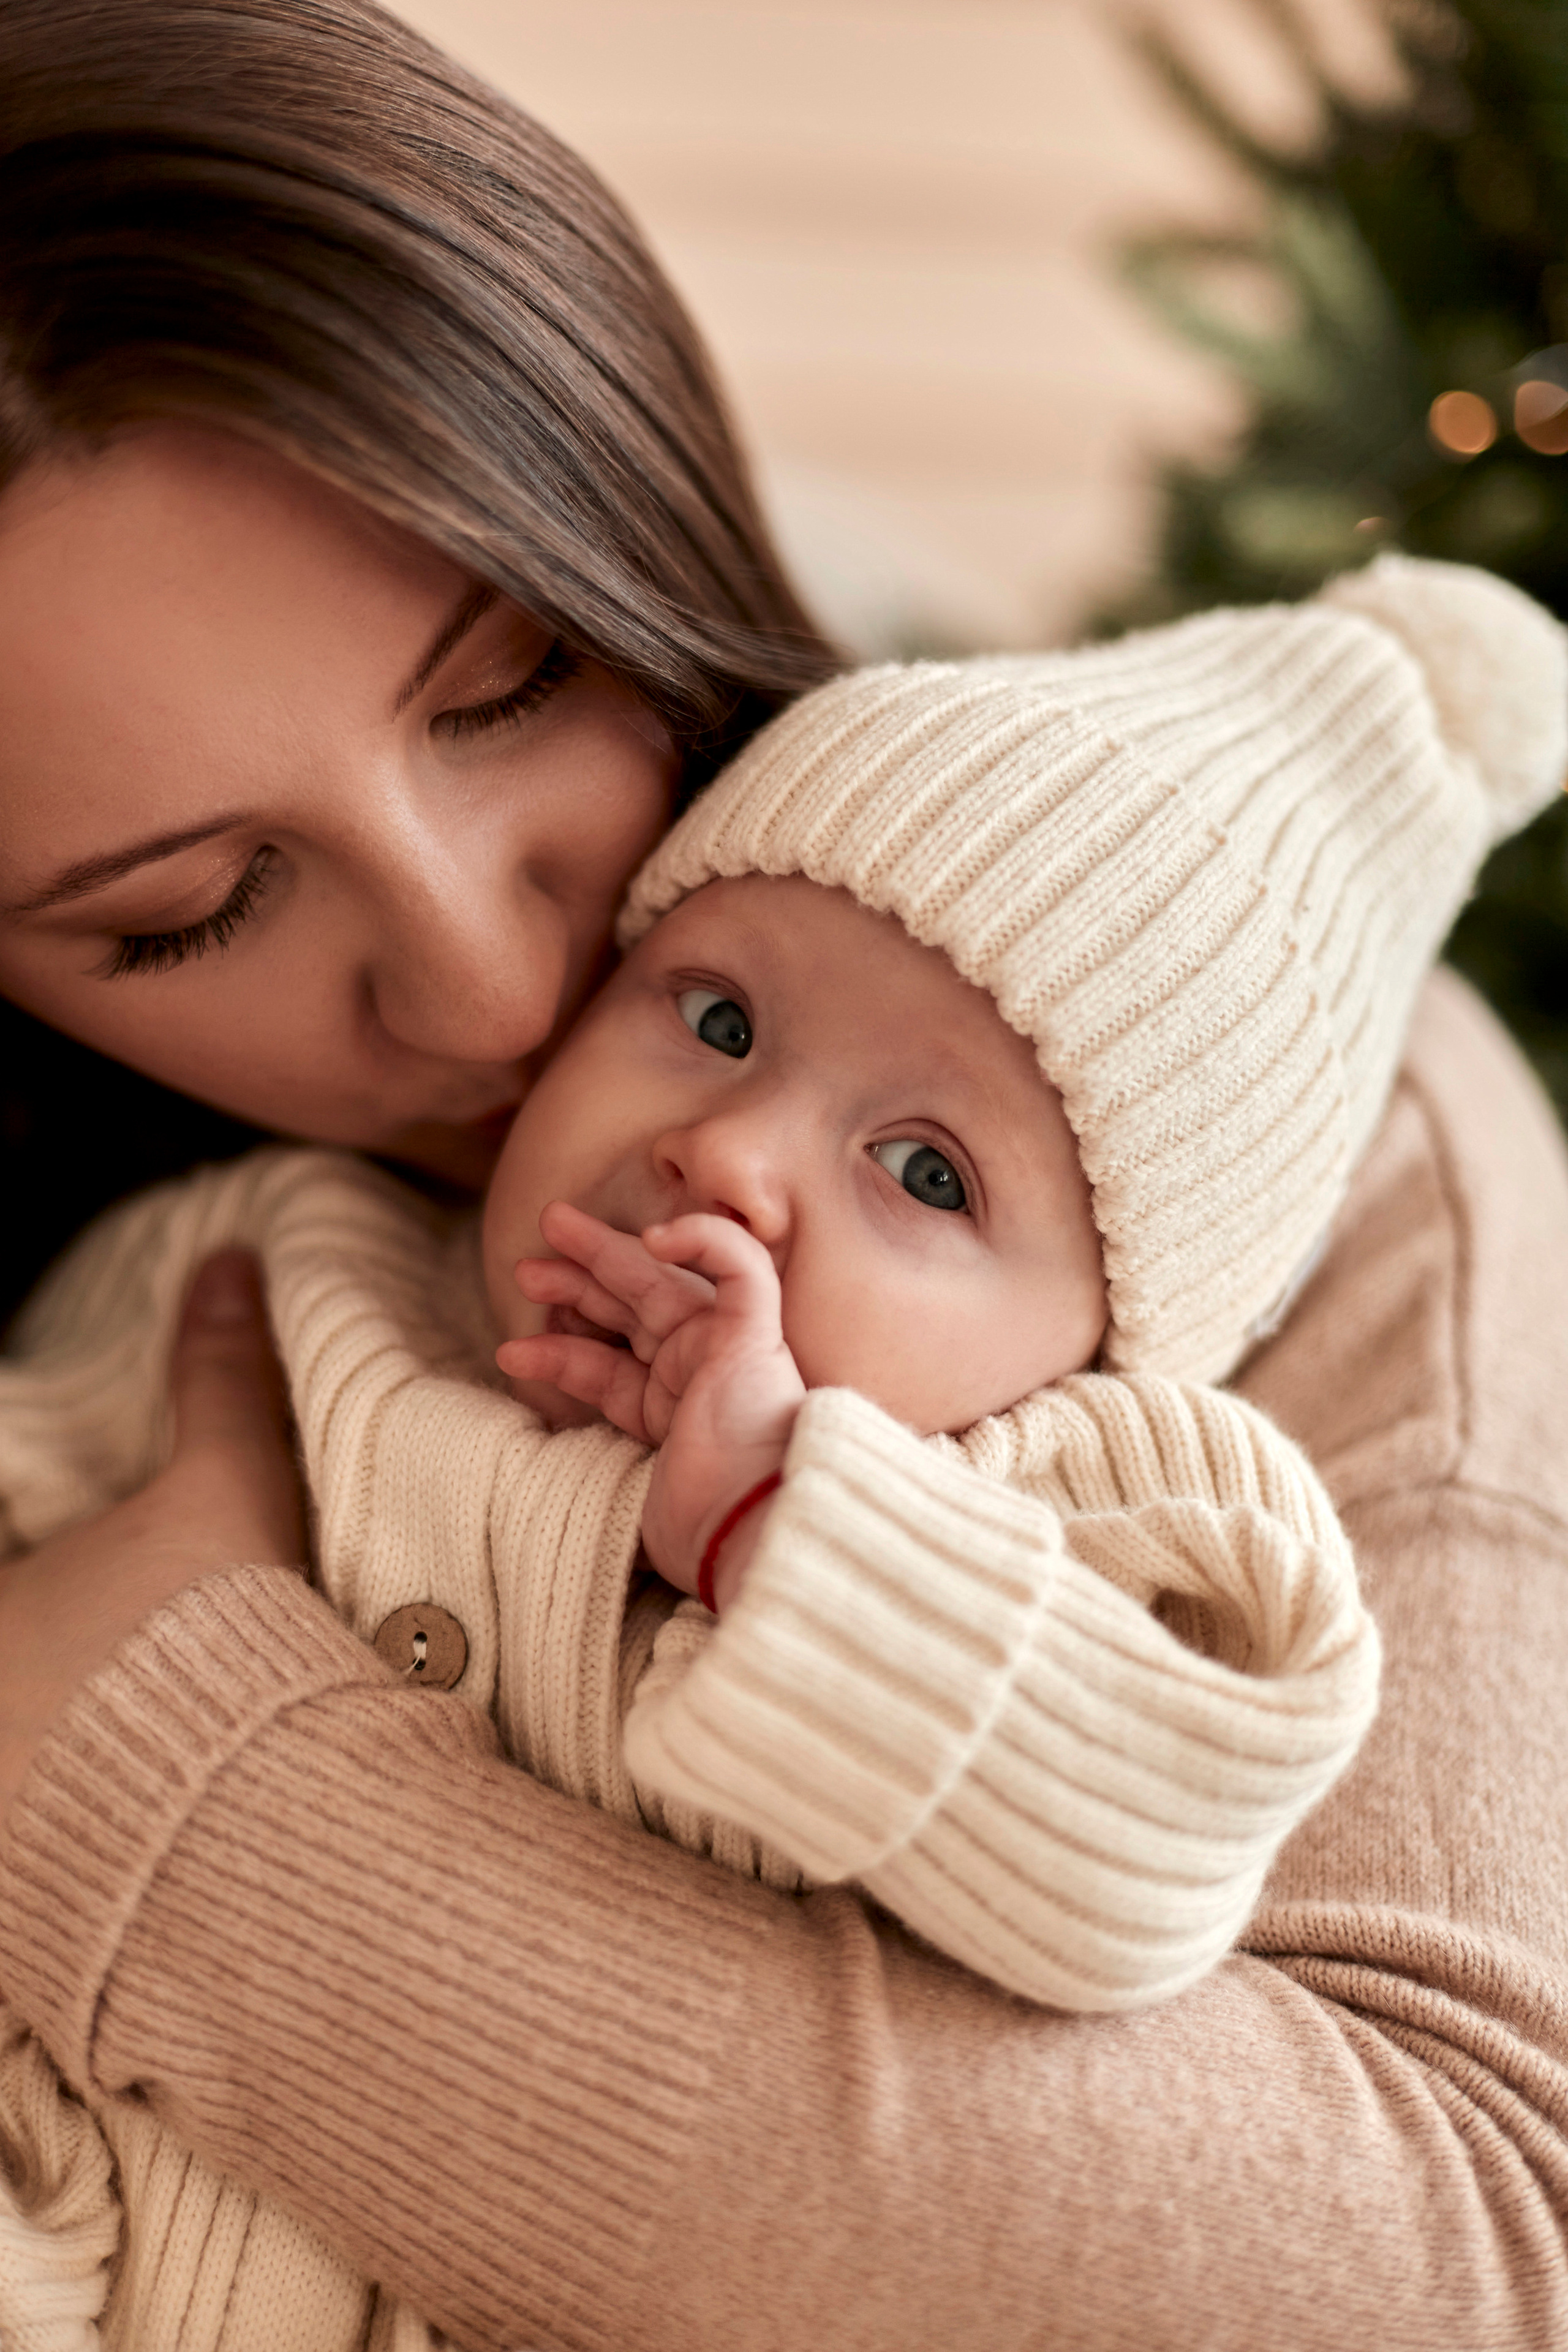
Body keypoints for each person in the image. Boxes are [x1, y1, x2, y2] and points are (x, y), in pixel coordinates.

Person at [2, 4, 1568, 2348]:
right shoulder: (234, 1264)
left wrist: (163, 1785)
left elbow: (1448, 2277)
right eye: (185, 913)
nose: (483, 983)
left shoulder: (1244, 1095)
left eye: (516, 678)